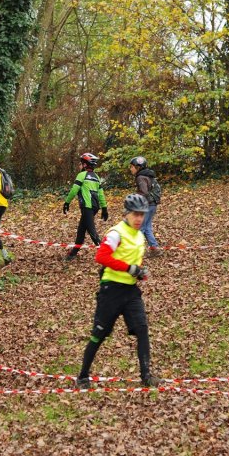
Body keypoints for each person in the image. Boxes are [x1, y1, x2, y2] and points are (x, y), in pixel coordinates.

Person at [75, 194, 160, 389]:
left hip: (130, 291)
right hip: (110, 291)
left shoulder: (140, 236)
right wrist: (129, 268)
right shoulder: (116, 233)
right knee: (99, 334)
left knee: (142, 329)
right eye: (136, 214)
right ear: (127, 213)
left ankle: (146, 376)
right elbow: (101, 257)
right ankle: (82, 376)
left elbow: (134, 261)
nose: (139, 219)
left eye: (142, 215)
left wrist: (139, 272)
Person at [62, 152, 108, 261]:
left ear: (84, 165)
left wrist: (67, 202)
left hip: (87, 207)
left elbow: (74, 190)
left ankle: (106, 254)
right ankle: (73, 253)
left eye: (80, 163)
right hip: (95, 207)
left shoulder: (82, 175)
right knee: (81, 230)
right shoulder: (96, 177)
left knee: (92, 232)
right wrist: (104, 208)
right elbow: (101, 194)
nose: (79, 165)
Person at [129, 156, 162, 255]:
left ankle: (135, 251)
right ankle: (154, 249)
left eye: (132, 167)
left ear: (138, 167)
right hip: (153, 204)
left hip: (147, 204)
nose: (131, 169)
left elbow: (143, 192)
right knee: (147, 227)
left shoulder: (140, 177)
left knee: (141, 228)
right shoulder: (148, 175)